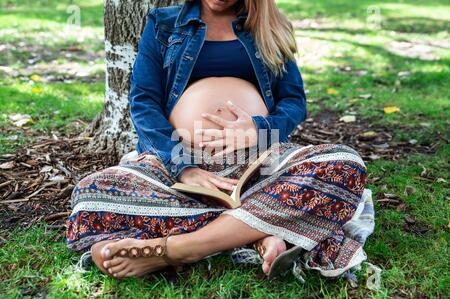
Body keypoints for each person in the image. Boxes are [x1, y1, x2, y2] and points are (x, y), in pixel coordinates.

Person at [66, 0, 369, 279]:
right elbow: (144, 102)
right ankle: (257, 229)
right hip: (179, 165)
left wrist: (259, 129)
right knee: (89, 194)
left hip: (260, 163)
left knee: (344, 164)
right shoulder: (163, 23)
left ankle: (183, 248)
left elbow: (293, 100)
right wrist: (185, 167)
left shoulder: (270, 25)